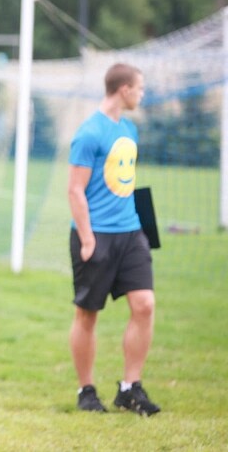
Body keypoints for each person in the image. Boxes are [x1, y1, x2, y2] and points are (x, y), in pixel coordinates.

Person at [67, 63, 161, 416]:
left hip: (131, 233)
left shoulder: (129, 128)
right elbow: (75, 190)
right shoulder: (89, 132)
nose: (142, 94)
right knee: (87, 315)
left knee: (145, 305)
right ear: (123, 89)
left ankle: (129, 388)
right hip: (96, 237)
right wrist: (88, 239)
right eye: (139, 88)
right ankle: (86, 391)